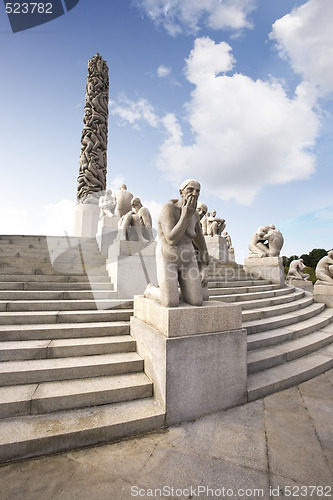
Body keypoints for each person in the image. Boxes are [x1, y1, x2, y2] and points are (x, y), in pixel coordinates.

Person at [144, 179, 209, 307]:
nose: (194, 194)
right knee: (170, 302)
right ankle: (151, 290)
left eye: (197, 191)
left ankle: (175, 291)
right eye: (190, 190)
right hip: (168, 257)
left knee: (197, 301)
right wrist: (185, 215)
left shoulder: (195, 214)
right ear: (181, 192)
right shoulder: (168, 209)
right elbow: (172, 239)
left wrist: (204, 267)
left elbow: (201, 243)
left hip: (188, 258)